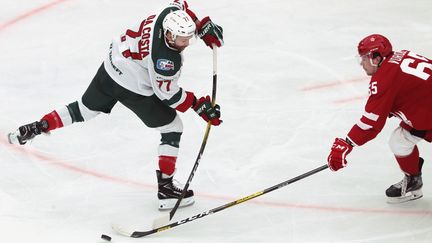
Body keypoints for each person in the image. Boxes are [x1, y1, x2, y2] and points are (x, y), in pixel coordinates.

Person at [7, 0, 224, 210]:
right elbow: (168, 96)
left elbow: (180, 3)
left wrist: (200, 25)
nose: (186, 43)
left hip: (112, 66)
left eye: (188, 37)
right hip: (132, 86)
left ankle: (37, 126)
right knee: (172, 128)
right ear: (168, 34)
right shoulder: (165, 60)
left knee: (83, 109)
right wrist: (198, 105)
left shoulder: (168, 12)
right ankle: (166, 189)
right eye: (181, 39)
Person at [327, 34, 432, 204]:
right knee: (399, 141)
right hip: (425, 113)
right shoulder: (401, 55)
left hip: (427, 113)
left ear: (376, 58)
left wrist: (346, 144)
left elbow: (370, 123)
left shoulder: (384, 79)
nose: (362, 63)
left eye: (364, 59)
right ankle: (413, 181)